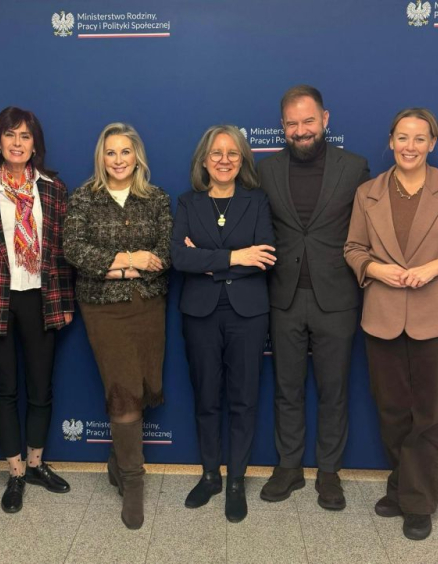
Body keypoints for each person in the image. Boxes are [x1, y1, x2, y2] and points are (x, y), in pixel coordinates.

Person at [345, 108, 438, 540]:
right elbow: (353, 248)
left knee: (427, 415)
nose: (410, 146)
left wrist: (437, 267)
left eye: (419, 138)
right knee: (392, 413)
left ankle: (419, 502)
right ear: (391, 141)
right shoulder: (368, 192)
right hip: (383, 318)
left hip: (437, 320)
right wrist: (375, 269)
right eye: (402, 138)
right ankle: (402, 486)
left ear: (432, 144)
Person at [258, 85, 370, 510]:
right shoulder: (266, 170)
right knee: (286, 388)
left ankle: (329, 472)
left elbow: (368, 231)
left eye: (308, 121)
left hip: (337, 298)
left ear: (325, 119)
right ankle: (288, 467)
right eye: (292, 123)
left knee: (333, 390)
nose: (301, 130)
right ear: (282, 126)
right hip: (283, 297)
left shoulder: (355, 167)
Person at [0, 107, 74, 514]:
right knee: (4, 389)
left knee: (40, 388)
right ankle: (16, 472)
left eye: (25, 136)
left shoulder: (54, 189)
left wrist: (65, 301)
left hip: (41, 297)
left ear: (35, 145)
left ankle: (37, 464)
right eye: (10, 135)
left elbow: (63, 251)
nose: (18, 143)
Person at [63, 123, 171, 529]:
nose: (119, 159)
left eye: (126, 151)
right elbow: (74, 250)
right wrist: (130, 261)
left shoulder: (156, 198)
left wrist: (117, 266)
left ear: (137, 156)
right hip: (104, 309)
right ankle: (133, 480)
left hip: (149, 305)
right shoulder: (84, 198)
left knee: (144, 385)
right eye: (111, 152)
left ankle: (116, 461)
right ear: (101, 157)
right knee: (123, 389)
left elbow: (164, 254)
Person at [171, 125, 275, 523]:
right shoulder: (188, 202)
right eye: (216, 153)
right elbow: (180, 258)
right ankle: (211, 476)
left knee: (244, 399)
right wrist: (235, 256)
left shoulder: (257, 200)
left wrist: (208, 260)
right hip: (200, 313)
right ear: (204, 160)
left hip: (248, 314)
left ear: (242, 159)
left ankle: (235, 481)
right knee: (206, 397)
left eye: (233, 153)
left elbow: (265, 256)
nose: (224, 160)